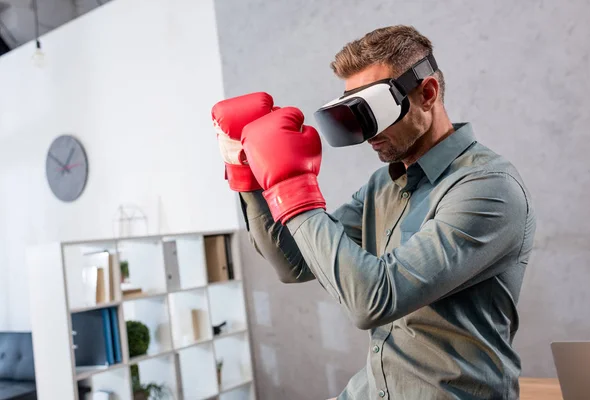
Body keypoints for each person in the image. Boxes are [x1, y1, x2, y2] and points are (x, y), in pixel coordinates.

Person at [211, 25, 536, 400]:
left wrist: (291, 186)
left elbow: (374, 300)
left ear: (427, 94)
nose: (367, 134)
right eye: (354, 114)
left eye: (374, 111)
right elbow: (296, 264)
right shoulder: (383, 185)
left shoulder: (487, 188)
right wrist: (248, 176)